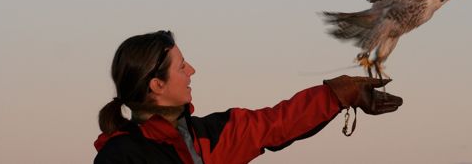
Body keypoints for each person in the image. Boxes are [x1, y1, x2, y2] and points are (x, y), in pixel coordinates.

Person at [94, 30, 403, 164]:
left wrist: (337, 94)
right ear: (157, 85)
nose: (192, 70)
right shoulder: (121, 157)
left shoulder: (210, 136)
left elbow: (275, 123)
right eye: (181, 66)